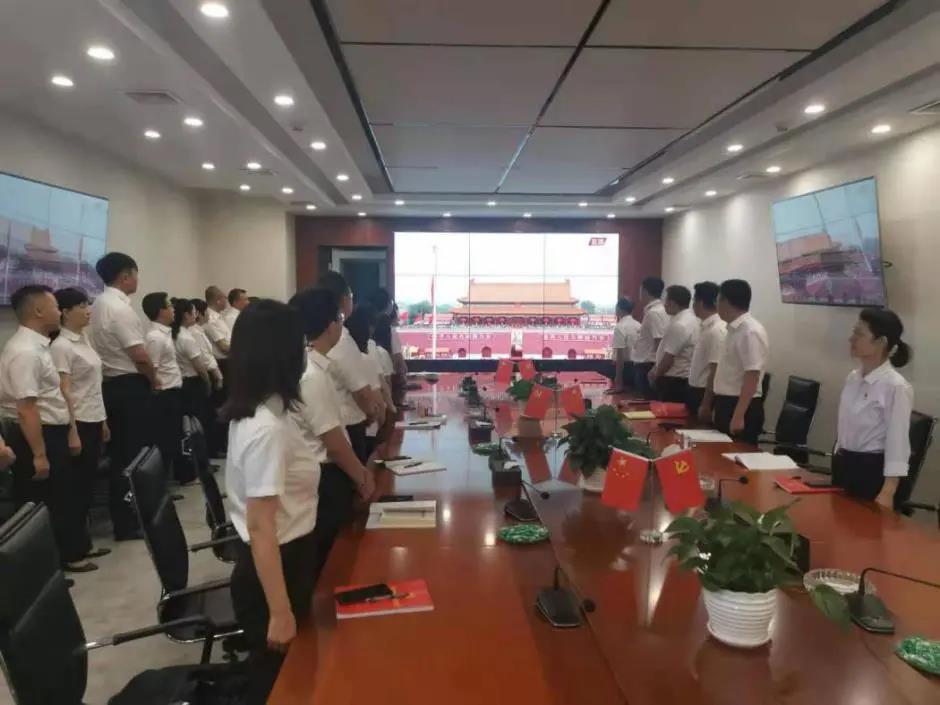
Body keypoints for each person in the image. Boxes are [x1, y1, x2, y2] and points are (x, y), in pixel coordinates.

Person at [224, 299, 320, 704]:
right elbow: (261, 525)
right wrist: (280, 612)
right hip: (277, 567)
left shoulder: (265, 412)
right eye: (301, 344)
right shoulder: (267, 429)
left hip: (282, 557)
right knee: (281, 686)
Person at [289, 288, 375, 573]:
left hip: (318, 474)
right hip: (324, 479)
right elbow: (333, 442)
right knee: (332, 560)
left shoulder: (310, 366)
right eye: (340, 317)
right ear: (330, 326)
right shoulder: (312, 375)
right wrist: (362, 477)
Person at [0, 286, 77, 567]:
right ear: (38, 310)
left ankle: (60, 560)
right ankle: (46, 568)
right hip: (37, 436)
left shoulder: (37, 346)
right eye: (55, 306)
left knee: (57, 499)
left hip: (47, 432)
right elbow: (26, 409)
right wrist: (40, 455)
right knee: (44, 502)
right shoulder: (26, 352)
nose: (59, 312)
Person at [88, 252, 155, 541]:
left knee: (122, 455)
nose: (137, 280)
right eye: (135, 275)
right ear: (125, 276)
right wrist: (154, 379)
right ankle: (127, 522)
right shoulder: (120, 309)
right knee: (130, 457)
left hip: (112, 386)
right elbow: (139, 356)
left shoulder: (98, 304)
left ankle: (127, 518)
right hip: (129, 387)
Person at [51, 287, 111, 570]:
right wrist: (72, 430)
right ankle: (72, 552)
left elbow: (93, 386)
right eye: (82, 306)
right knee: (74, 490)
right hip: (79, 422)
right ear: (65, 312)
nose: (88, 311)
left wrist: (104, 421)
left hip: (94, 418)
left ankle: (84, 543)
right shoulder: (61, 346)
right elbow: (64, 391)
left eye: (88, 305)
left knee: (87, 486)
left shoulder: (84, 339)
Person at [833, 309, 913, 507]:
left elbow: (898, 441)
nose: (851, 339)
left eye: (859, 334)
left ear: (881, 342)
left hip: (871, 473)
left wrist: (888, 491)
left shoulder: (895, 386)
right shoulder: (853, 378)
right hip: (843, 465)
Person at [316, 271, 383, 462]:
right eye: (351, 296)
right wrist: (372, 413)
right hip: (348, 428)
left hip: (323, 429)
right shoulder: (341, 338)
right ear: (345, 299)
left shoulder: (316, 333)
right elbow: (361, 392)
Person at [702, 279, 769, 444]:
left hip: (740, 406)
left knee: (736, 456)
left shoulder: (750, 331)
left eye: (717, 300)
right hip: (726, 403)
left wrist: (738, 416)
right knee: (719, 455)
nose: (716, 305)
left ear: (725, 301)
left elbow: (752, 376)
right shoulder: (733, 329)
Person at [142, 292, 186, 483]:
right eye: (169, 306)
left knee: (173, 440)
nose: (173, 309)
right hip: (164, 395)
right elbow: (152, 368)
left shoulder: (164, 334)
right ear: (161, 311)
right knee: (165, 442)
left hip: (173, 393)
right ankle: (160, 488)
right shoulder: (155, 337)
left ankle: (165, 485)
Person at [648, 285, 698, 403]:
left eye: (665, 300)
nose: (664, 304)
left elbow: (669, 358)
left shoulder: (680, 324)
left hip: (673, 381)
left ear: (672, 303)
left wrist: (656, 375)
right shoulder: (692, 319)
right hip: (682, 378)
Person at [172, 298, 211, 436]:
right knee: (198, 420)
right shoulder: (186, 337)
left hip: (181, 381)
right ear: (186, 315)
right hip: (193, 382)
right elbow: (199, 366)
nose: (196, 316)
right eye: (194, 313)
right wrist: (207, 382)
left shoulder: (175, 334)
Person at [687, 282, 727, 417]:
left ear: (700, 303)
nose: (692, 305)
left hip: (704, 393)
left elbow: (715, 370)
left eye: (694, 300)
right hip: (695, 389)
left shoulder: (716, 330)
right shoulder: (704, 327)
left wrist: (706, 404)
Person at [203, 286, 232, 458]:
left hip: (227, 363)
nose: (226, 301)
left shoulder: (219, 317)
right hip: (221, 364)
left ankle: (224, 443)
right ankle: (219, 446)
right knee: (221, 406)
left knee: (227, 404)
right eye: (224, 298)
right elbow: (224, 346)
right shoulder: (211, 319)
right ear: (218, 299)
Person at [630, 277, 669, 399]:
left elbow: (659, 341)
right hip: (649, 365)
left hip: (647, 366)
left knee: (647, 402)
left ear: (645, 291)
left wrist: (655, 368)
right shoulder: (658, 310)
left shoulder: (654, 313)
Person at [608, 297, 640, 394]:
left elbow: (620, 355)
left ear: (618, 309)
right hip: (638, 369)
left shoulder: (620, 327)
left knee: (622, 399)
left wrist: (618, 379)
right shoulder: (639, 325)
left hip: (624, 370)